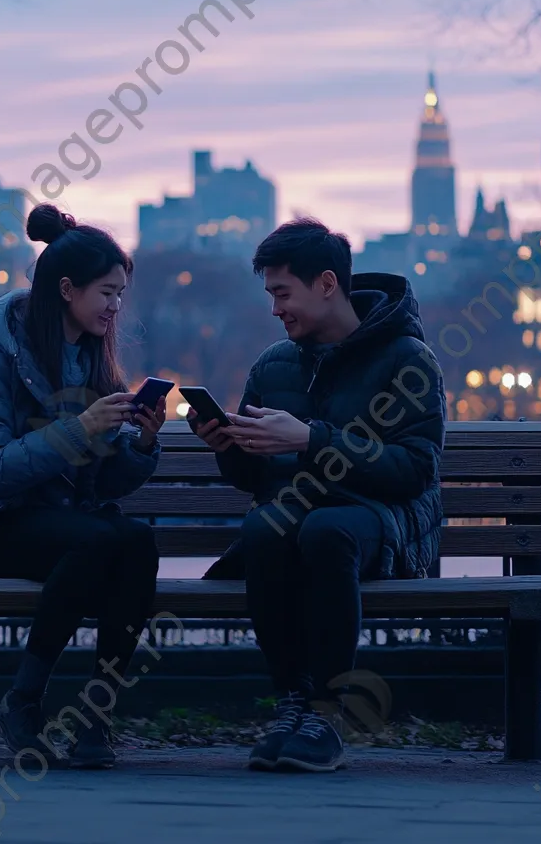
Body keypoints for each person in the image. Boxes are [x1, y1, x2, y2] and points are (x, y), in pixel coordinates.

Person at [188, 218, 445, 772]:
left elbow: (414, 471)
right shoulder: (274, 364)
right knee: (264, 527)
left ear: (327, 284)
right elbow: (258, 483)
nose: (275, 309)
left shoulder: (408, 360)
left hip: (384, 520)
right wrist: (228, 447)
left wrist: (311, 439)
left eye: (284, 294)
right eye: (271, 295)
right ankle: (294, 703)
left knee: (327, 531)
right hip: (296, 516)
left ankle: (327, 715)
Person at [0, 204, 166, 769]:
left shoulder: (90, 358)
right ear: (66, 288)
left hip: (61, 527)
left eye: (121, 294)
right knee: (99, 541)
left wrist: (142, 445)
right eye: (106, 293)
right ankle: (24, 701)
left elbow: (103, 486)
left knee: (137, 542)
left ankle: (96, 716)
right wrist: (79, 428)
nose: (116, 306)